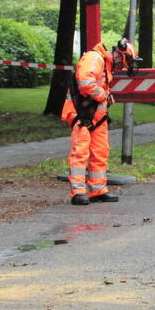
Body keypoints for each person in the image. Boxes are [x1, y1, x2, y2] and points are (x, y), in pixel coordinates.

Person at [60, 39, 137, 206]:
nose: (123, 67)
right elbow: (85, 82)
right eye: (125, 63)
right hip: (81, 113)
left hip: (96, 116)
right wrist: (103, 96)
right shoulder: (95, 58)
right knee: (80, 152)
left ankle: (98, 189)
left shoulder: (105, 65)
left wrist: (105, 97)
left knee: (100, 152)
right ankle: (78, 192)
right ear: (119, 55)